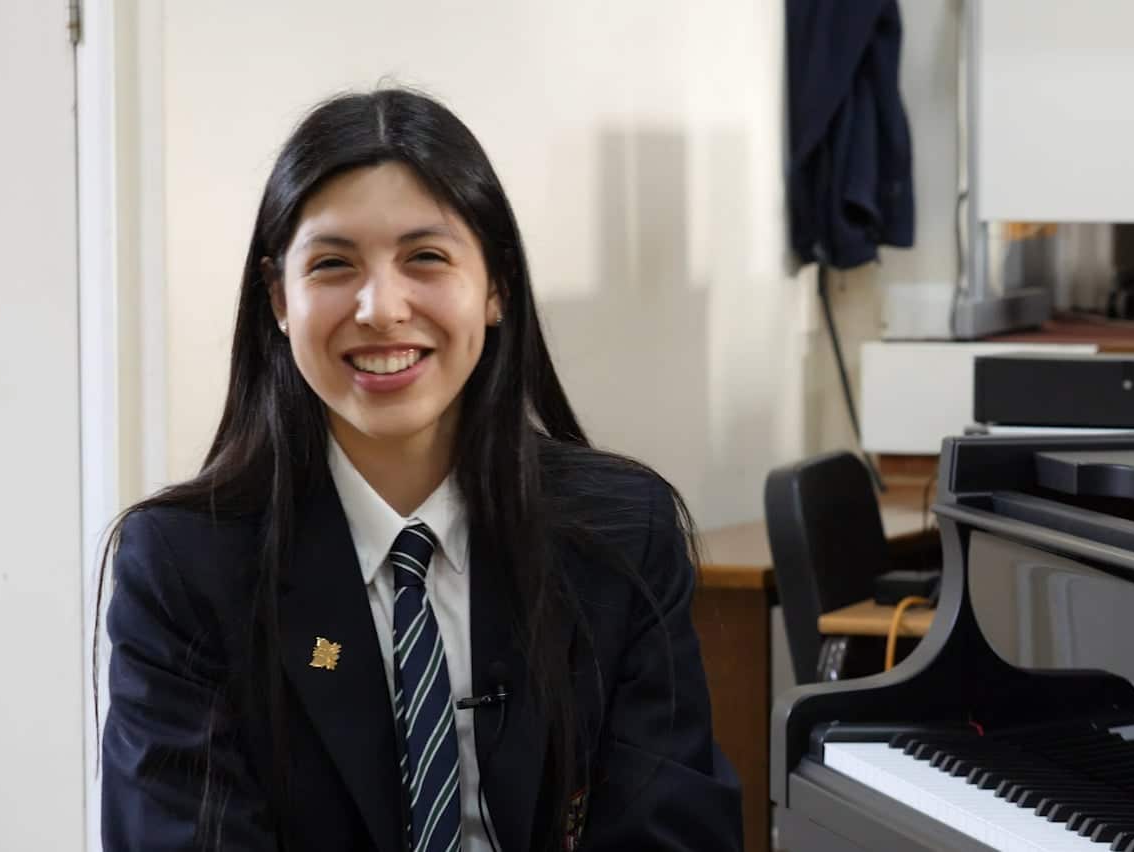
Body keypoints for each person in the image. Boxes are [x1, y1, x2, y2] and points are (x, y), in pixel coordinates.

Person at [99, 87, 742, 852]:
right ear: (278, 297)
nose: (381, 307)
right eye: (334, 264)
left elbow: (673, 831)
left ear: (496, 285)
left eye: (425, 257)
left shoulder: (621, 534)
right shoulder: (183, 567)